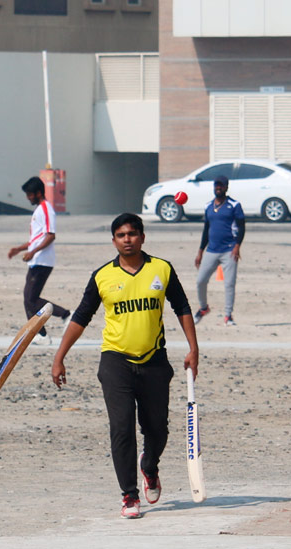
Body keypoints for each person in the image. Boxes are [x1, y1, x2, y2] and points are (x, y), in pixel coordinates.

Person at [50, 212, 199, 518]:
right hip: (115, 360)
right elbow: (81, 316)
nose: (127, 239)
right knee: (121, 428)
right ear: (114, 240)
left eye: (132, 234)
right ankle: (129, 495)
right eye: (121, 235)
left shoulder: (162, 269)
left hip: (154, 360)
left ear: (142, 237)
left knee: (157, 429)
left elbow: (182, 306)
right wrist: (59, 357)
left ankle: (149, 466)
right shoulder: (102, 276)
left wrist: (193, 348)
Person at [8, 176, 72, 337]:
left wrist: (33, 252)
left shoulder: (46, 209)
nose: (28, 198)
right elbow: (36, 238)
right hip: (37, 260)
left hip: (43, 261)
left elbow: (51, 235)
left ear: (38, 193)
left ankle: (65, 315)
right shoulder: (39, 210)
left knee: (31, 299)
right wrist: (19, 249)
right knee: (29, 299)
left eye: (30, 194)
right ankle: (41, 334)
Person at [192, 175, 246, 326]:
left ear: (226, 187)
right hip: (212, 250)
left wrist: (237, 246)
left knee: (229, 284)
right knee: (200, 281)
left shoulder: (234, 205)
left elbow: (241, 227)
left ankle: (228, 316)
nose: (218, 188)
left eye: (221, 185)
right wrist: (200, 251)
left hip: (229, 250)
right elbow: (206, 229)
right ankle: (203, 308)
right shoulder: (208, 206)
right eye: (216, 185)